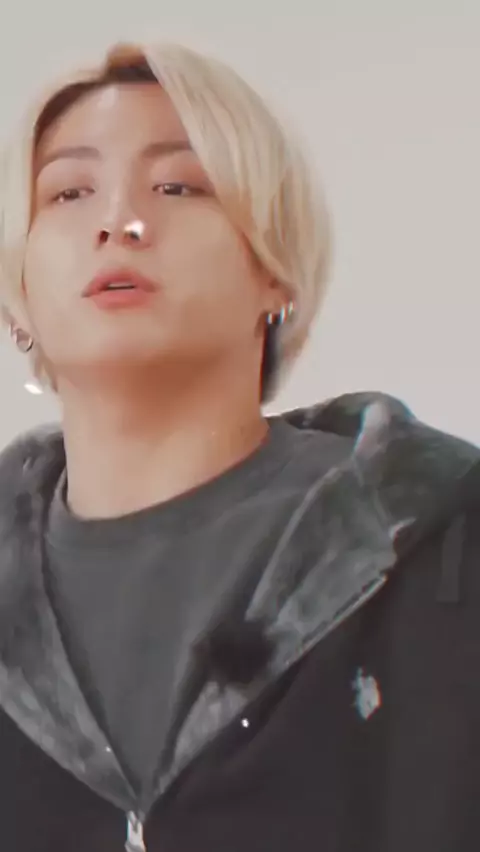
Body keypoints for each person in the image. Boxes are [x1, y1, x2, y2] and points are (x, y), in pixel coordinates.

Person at [0, 40, 479, 852]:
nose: (120, 222)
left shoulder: (447, 549)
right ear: (19, 297)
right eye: (70, 192)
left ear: (273, 271)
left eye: (179, 186)